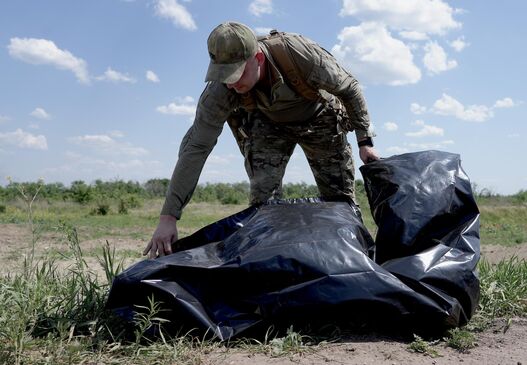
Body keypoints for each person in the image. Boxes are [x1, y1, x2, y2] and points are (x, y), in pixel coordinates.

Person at [144, 21, 380, 258]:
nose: (232, 84)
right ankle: (269, 265)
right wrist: (168, 217)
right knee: (263, 208)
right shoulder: (220, 91)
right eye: (225, 76)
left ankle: (355, 263)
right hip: (268, 124)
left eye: (237, 74)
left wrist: (365, 142)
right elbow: (196, 147)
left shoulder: (300, 54)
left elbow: (350, 89)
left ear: (258, 58)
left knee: (340, 203)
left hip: (319, 117)